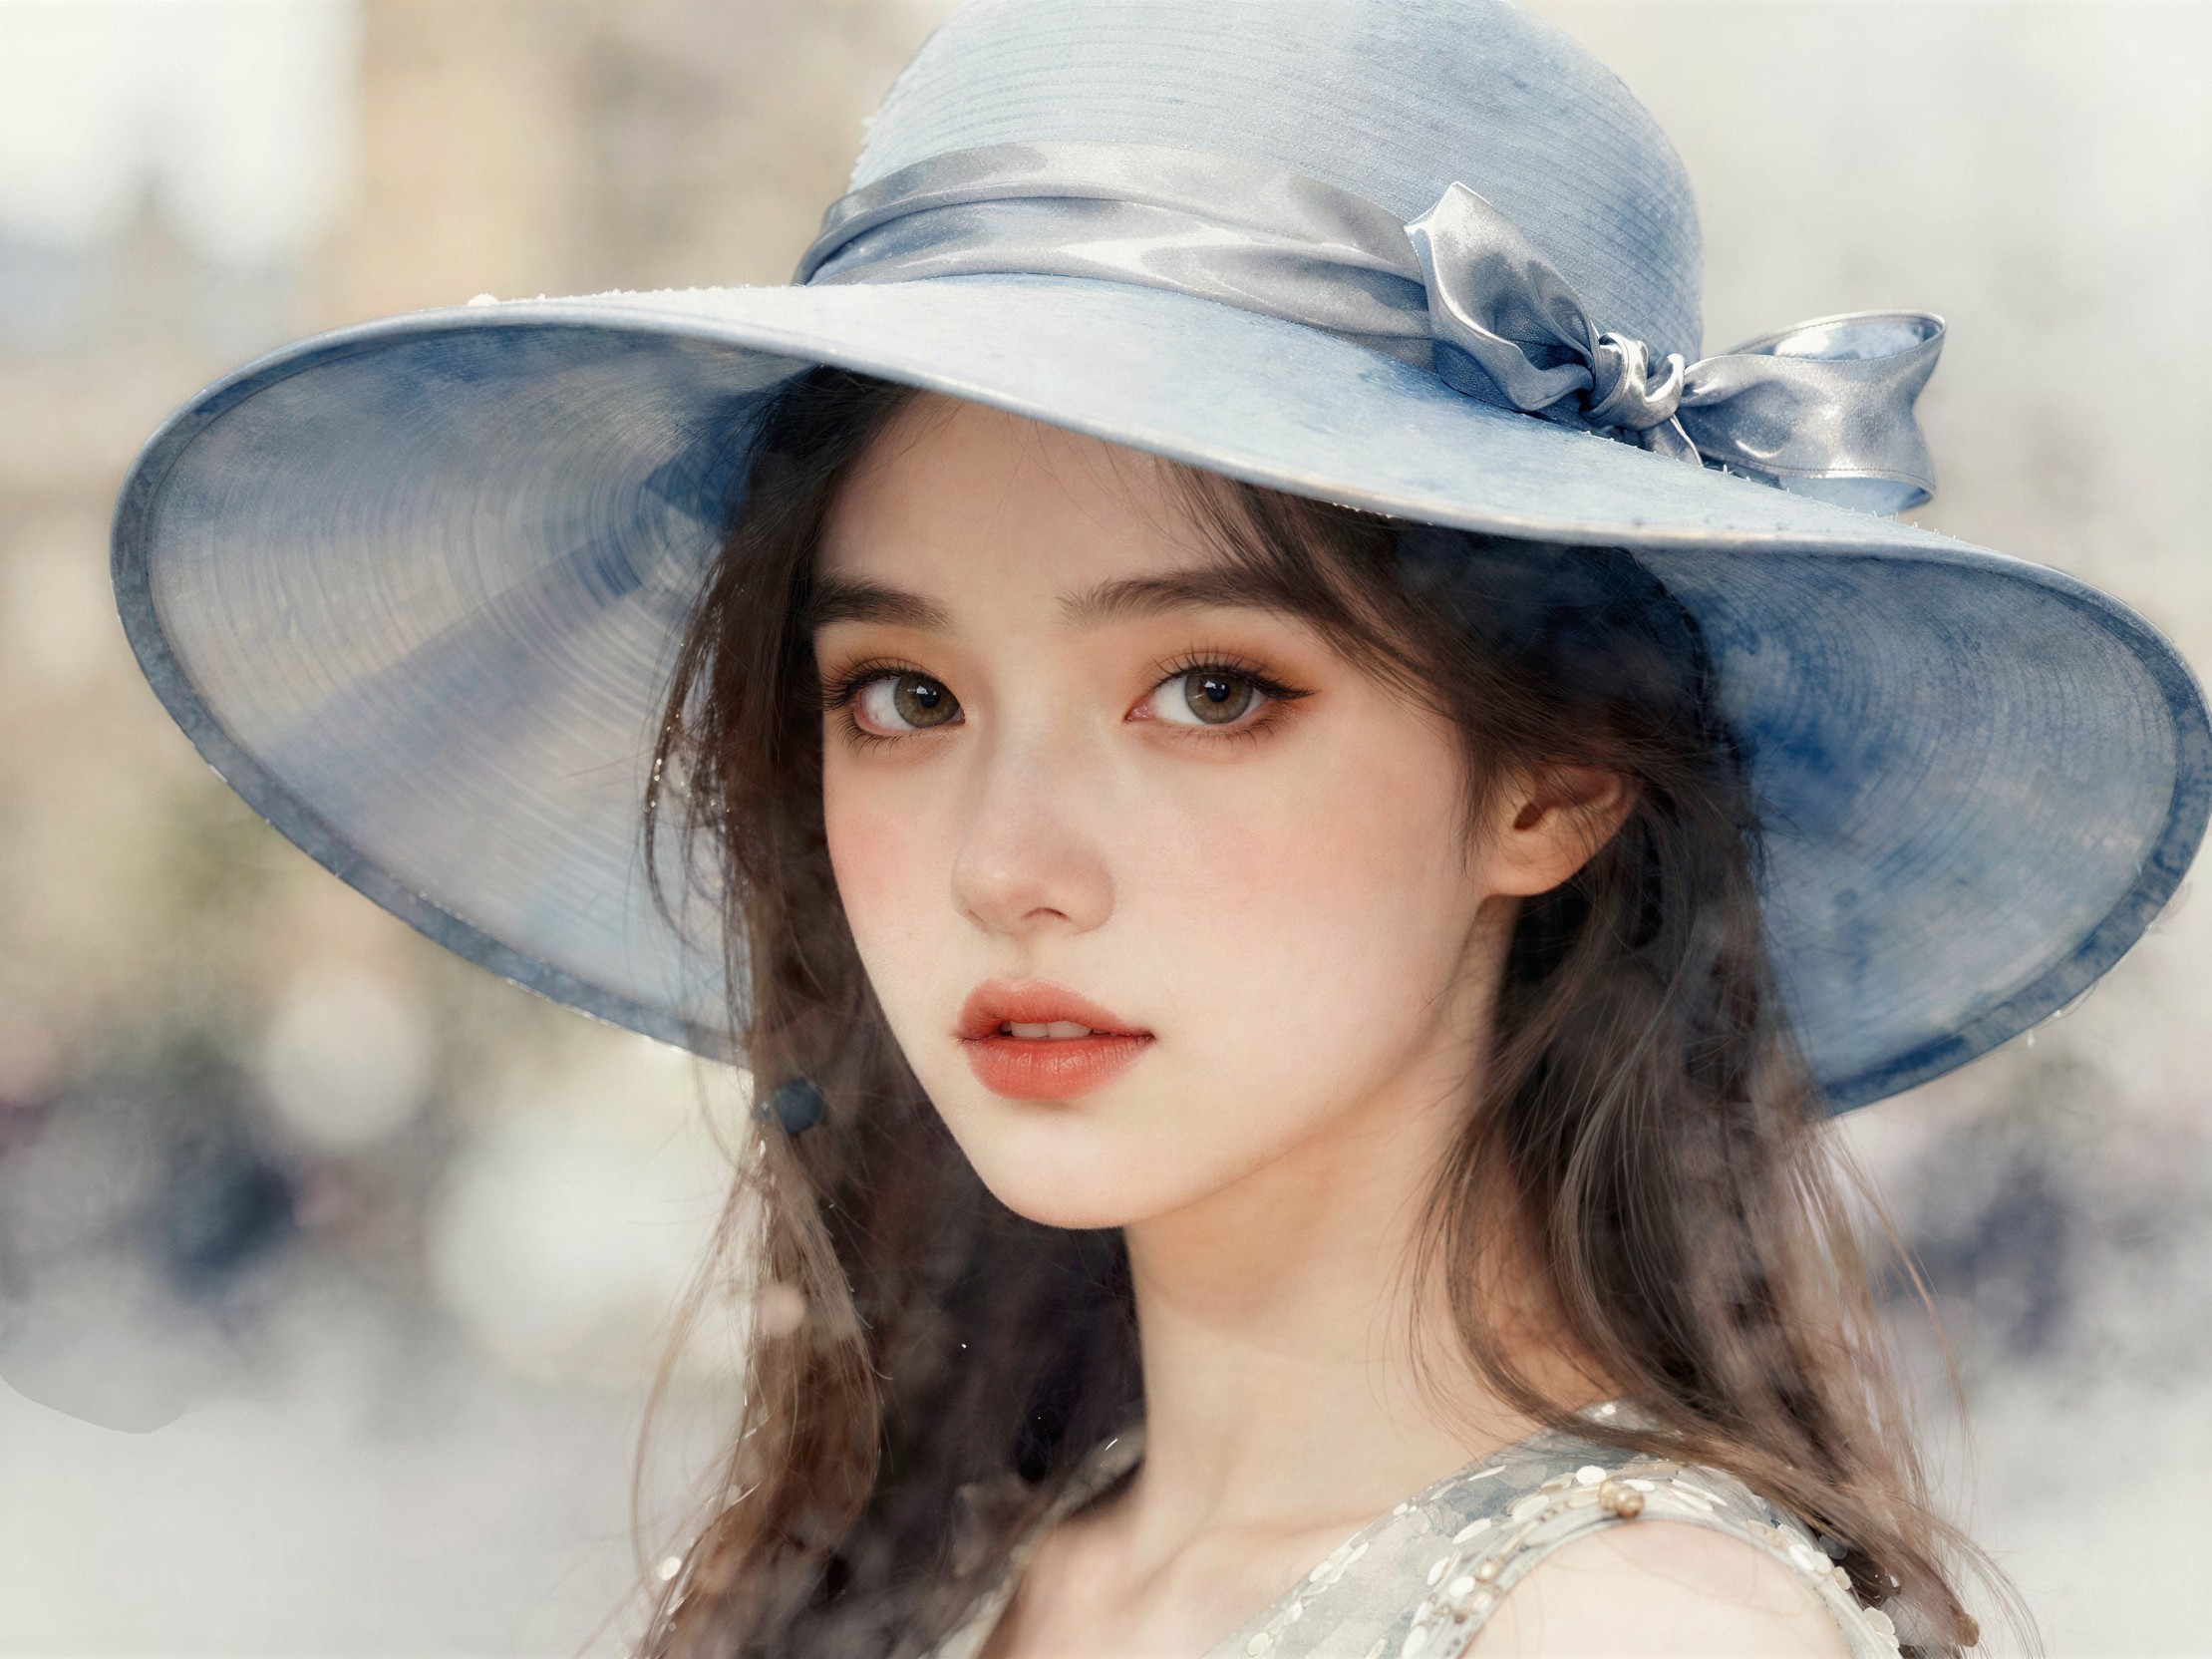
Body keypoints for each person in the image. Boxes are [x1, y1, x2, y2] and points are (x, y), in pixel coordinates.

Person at [109, 3, 2208, 1657]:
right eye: (903, 696)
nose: (1012, 860)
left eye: (1213, 689)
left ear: (1556, 776)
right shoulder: (967, 1564)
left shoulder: (1624, 1629)